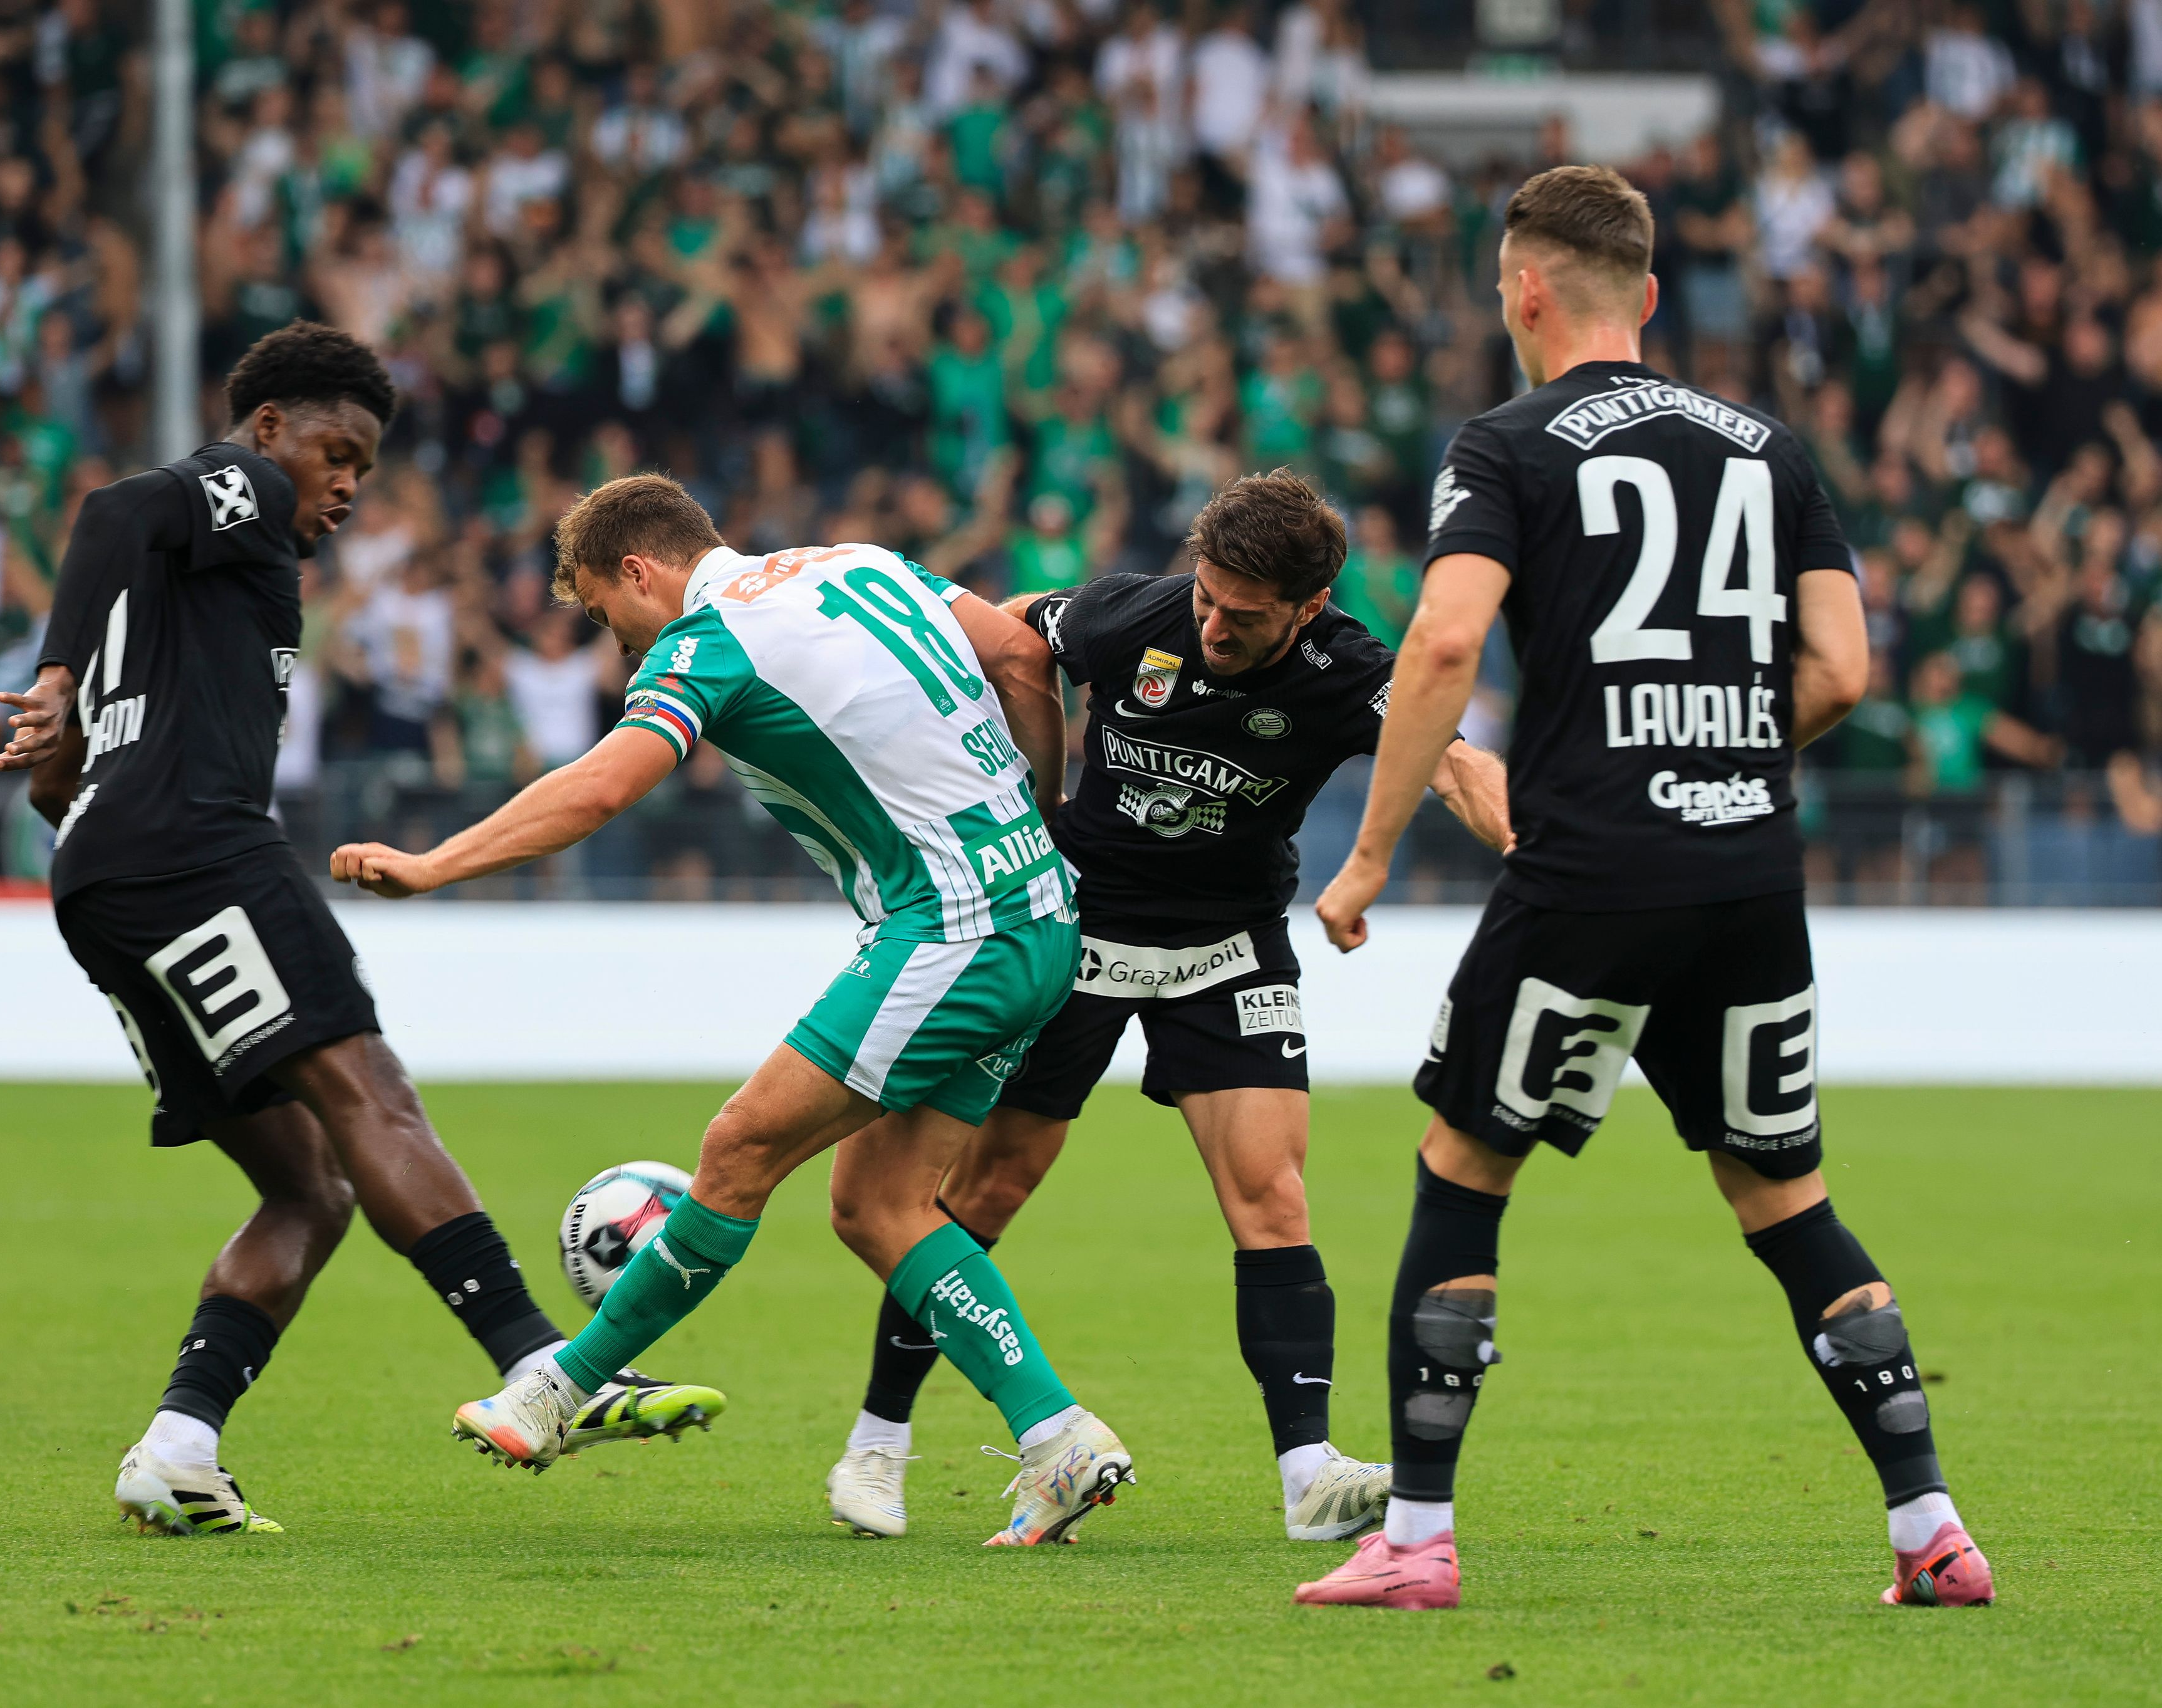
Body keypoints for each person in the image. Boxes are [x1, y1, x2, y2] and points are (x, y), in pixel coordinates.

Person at [1300, 166, 1991, 1611]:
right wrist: (1723, 746)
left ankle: (1415, 1541)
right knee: (1784, 1196)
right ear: (1652, 298)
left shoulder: (1501, 445)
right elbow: (1846, 671)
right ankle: (1927, 1528)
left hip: (1591, 873)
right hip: (1747, 869)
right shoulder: (1769, 448)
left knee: (1461, 1172)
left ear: (1524, 291)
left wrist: (1367, 854)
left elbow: (1438, 648)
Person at [0, 324, 721, 1536]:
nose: (342, 487)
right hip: (199, 850)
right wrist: (60, 674)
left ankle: (176, 1445)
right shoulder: (240, 486)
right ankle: (546, 1363)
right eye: (338, 454)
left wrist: (77, 738)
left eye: (363, 472)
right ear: (270, 428)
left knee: (309, 1187)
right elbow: (114, 510)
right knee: (372, 1096)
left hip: (105, 878)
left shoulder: (202, 568)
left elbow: (72, 743)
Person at [333, 475, 1136, 1547]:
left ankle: (556, 1389)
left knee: (738, 1148)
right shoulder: (860, 560)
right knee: (881, 1205)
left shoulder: (707, 640)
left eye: (597, 609)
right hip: (1040, 913)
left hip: (954, 928)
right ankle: (1059, 1435)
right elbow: (1026, 656)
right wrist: (1037, 804)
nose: (608, 638)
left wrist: (436, 864)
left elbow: (601, 787)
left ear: (639, 571)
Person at [824, 472, 1510, 1545]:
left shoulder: (1349, 673)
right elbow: (1007, 640)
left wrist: (1534, 857)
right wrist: (998, 779)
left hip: (1228, 948)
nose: (1213, 624)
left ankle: (1308, 1473)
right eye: (1207, 597)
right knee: (985, 1192)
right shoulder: (1130, 612)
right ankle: (877, 1445)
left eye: (1245, 615)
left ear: (1309, 606)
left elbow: (1458, 764)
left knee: (1273, 1200)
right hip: (1077, 937)